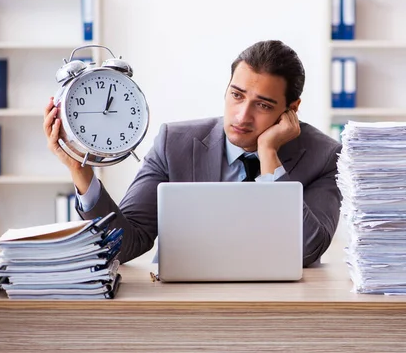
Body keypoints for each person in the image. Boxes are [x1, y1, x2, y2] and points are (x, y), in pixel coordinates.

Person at [44, 40, 342, 267]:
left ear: (292, 109)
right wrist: (81, 172)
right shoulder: (174, 144)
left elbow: (306, 250)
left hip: (279, 310)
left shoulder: (325, 156)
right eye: (237, 95)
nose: (242, 116)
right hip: (186, 307)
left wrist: (268, 155)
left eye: (263, 105)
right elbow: (126, 243)